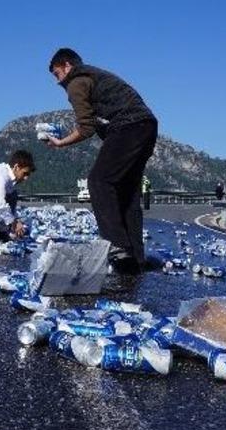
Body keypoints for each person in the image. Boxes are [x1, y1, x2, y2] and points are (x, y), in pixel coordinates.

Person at [45, 48, 157, 274]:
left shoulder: (76, 82)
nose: (58, 82)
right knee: (127, 193)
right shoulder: (97, 76)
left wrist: (60, 142)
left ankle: (117, 246)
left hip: (128, 126)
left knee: (99, 181)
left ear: (67, 66)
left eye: (57, 75)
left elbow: (85, 128)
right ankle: (135, 258)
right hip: (147, 125)